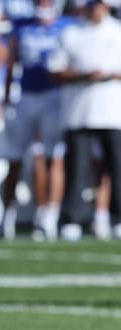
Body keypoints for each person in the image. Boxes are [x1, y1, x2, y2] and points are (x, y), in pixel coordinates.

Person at [0, 0, 71, 241]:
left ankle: (48, 216)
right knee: (15, 157)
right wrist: (6, 96)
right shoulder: (21, 25)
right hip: (26, 96)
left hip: (54, 96)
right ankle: (7, 217)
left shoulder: (67, 26)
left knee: (53, 156)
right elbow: (11, 61)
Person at [47, 0, 121, 241]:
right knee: (76, 169)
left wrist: (110, 75)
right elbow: (55, 70)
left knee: (117, 169)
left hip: (113, 114)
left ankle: (117, 218)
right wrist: (83, 76)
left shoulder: (118, 32)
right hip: (78, 113)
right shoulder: (70, 32)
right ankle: (71, 219)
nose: (94, 8)